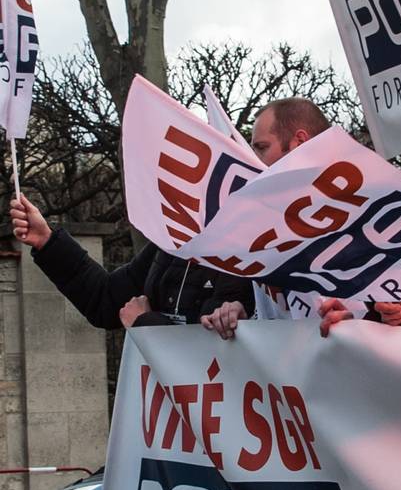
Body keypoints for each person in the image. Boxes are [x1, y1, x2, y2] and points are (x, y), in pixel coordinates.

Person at [201, 97, 357, 338]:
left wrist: (364, 324)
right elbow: (278, 310)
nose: (253, 159)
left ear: (299, 142)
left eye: (261, 147)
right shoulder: (265, 220)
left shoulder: (358, 213)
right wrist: (242, 312)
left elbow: (400, 316)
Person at [9, 192, 252, 331]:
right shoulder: (169, 245)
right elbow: (105, 300)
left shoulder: (247, 255)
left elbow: (212, 350)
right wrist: (47, 241)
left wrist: (144, 323)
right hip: (160, 413)